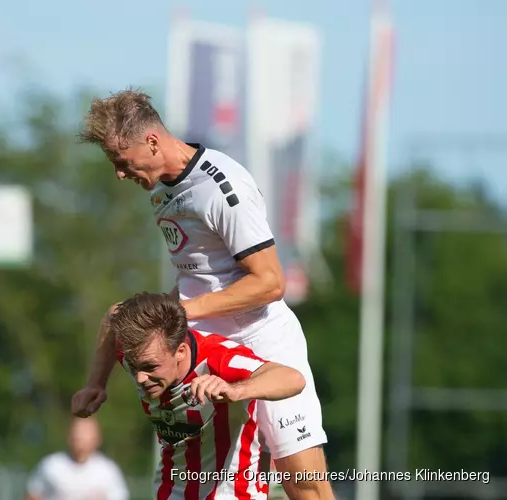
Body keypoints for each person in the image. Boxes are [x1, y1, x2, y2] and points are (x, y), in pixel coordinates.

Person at [71, 89, 334, 499]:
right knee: (209, 477)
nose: (119, 174)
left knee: (303, 483)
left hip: (262, 340)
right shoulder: (161, 189)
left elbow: (269, 282)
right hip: (202, 344)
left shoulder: (222, 188)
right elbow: (198, 273)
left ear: (152, 142)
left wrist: (185, 310)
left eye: (122, 162)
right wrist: (96, 383)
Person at [105, 291, 306, 499]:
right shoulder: (136, 352)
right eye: (134, 366)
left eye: (150, 367)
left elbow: (292, 379)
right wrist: (96, 384)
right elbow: (112, 317)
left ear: (180, 351)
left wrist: (235, 390)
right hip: (171, 492)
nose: (139, 379)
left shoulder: (217, 358)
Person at [24, 416, 129, 500]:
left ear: (97, 438)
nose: (81, 437)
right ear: (69, 435)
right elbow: (33, 494)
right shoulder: (51, 465)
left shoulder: (108, 471)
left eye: (86, 432)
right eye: (78, 431)